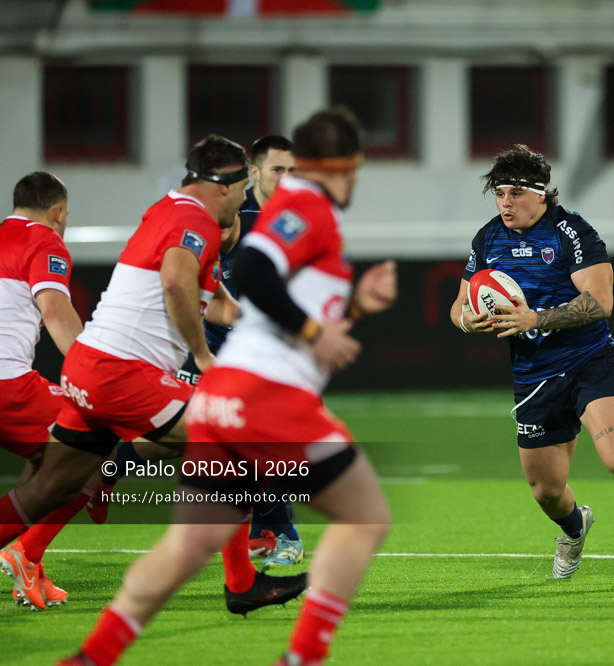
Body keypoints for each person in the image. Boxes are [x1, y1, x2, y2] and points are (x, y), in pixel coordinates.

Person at [58, 106, 396, 666]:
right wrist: (315, 331)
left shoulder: (299, 213)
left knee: (187, 546)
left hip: (223, 399)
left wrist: (358, 304)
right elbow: (259, 275)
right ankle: (303, 656)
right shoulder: (307, 207)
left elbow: (272, 307)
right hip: (264, 396)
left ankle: (92, 657)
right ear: (346, 166)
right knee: (366, 516)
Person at [0, 136, 306, 616]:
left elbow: (216, 300)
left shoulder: (172, 211)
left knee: (47, 491)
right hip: (122, 373)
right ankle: (243, 582)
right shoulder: (193, 222)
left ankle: (36, 539)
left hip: (90, 369)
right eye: (246, 188)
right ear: (223, 188)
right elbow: (174, 284)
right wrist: (204, 357)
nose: (249, 198)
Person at [450, 144, 614, 584]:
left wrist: (536, 318)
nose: (505, 202)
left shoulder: (571, 233)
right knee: (547, 493)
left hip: (590, 362)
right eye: (499, 192)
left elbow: (601, 301)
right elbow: (458, 306)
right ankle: (575, 529)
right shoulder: (488, 238)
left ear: (541, 194)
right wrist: (468, 322)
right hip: (534, 377)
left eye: (515, 192)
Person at [92, 136, 306, 567]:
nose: (286, 180)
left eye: (293, 171)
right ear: (254, 174)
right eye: (277, 170)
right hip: (212, 348)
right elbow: (200, 281)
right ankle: (275, 535)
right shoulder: (226, 217)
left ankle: (105, 471)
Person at [0, 172, 85, 609]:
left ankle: (29, 563)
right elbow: (54, 310)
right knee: (93, 451)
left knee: (48, 456)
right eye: (66, 216)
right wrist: (96, 374)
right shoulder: (44, 240)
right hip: (5, 384)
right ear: (57, 212)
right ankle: (24, 550)